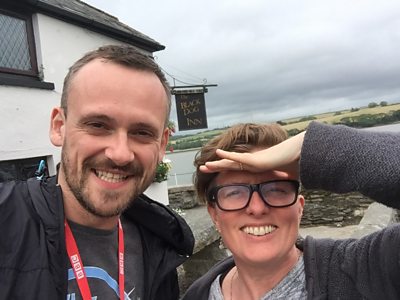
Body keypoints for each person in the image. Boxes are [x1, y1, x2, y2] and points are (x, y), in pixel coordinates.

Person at [0, 45, 194, 300]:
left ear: (161, 144)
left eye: (142, 132)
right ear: (59, 127)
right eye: (98, 125)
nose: (120, 153)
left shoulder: (161, 244)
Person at [182, 121, 400, 299]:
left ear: (299, 207)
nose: (257, 208)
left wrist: (311, 146)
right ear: (215, 215)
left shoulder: (368, 269)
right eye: (234, 193)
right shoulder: (197, 296)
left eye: (276, 189)